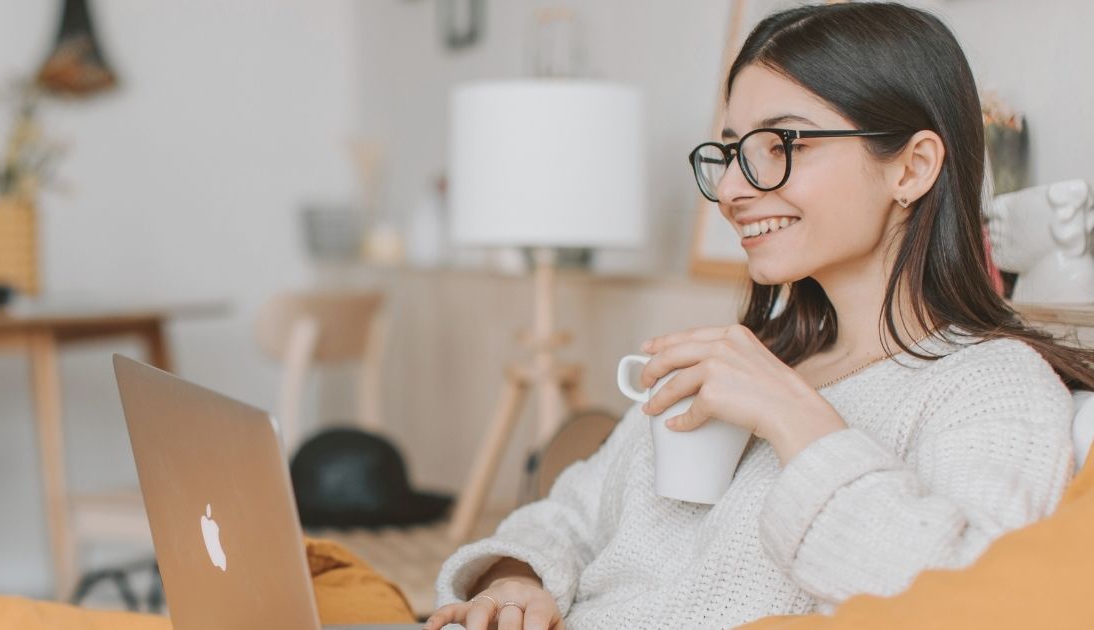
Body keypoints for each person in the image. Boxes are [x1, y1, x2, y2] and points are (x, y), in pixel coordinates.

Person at [424, 3, 1094, 629]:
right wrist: (515, 581)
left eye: (782, 145)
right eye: (732, 151)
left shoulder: (990, 385)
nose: (736, 190)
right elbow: (566, 515)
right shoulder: (751, 356)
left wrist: (796, 419)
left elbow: (963, 598)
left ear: (912, 168)